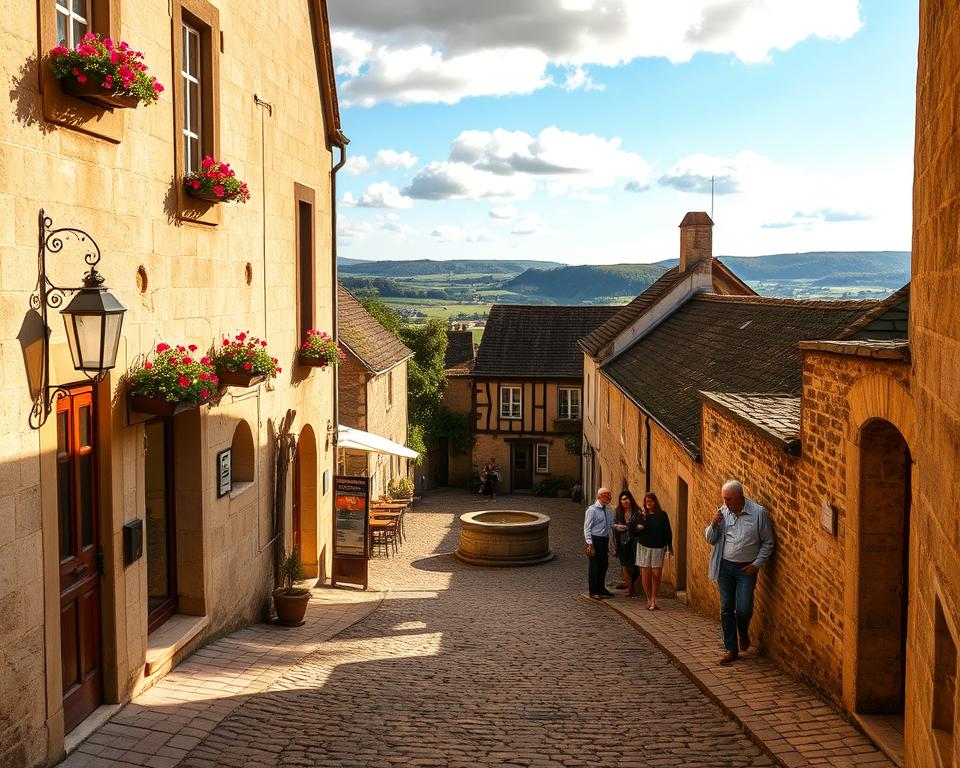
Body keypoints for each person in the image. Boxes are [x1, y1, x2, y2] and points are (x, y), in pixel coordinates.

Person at [705, 480, 776, 666]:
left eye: (728, 499)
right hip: (725, 568)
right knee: (726, 607)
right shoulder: (722, 512)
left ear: (740, 497)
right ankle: (731, 648)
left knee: (744, 608)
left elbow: (768, 542)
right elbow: (711, 540)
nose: (725, 502)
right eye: (724, 498)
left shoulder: (758, 513)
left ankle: (743, 631)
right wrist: (713, 525)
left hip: (746, 569)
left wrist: (757, 564)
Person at [635, 492, 673, 610]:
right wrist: (639, 524)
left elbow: (667, 530)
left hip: (658, 547)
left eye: (650, 502)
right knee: (645, 574)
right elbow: (635, 529)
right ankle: (649, 599)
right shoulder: (642, 515)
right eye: (646, 502)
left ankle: (653, 598)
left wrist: (669, 545)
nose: (648, 504)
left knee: (656, 574)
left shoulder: (662, 515)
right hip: (644, 546)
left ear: (655, 502)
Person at [583, 487, 615, 600]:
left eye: (609, 496)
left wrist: (618, 527)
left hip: (604, 540)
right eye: (606, 496)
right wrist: (590, 544)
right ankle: (593, 591)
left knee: (604, 565)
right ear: (599, 497)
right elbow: (587, 528)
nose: (609, 498)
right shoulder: (592, 510)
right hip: (594, 540)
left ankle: (602, 588)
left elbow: (611, 524)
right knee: (594, 566)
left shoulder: (609, 509)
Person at [612, 490, 641, 597]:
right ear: (620, 501)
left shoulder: (637, 512)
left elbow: (641, 525)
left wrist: (636, 527)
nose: (626, 501)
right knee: (625, 566)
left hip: (635, 543)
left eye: (627, 499)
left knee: (635, 567)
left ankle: (633, 586)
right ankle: (630, 591)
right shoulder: (618, 512)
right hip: (622, 543)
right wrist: (618, 527)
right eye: (623, 499)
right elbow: (613, 524)